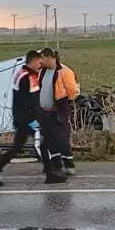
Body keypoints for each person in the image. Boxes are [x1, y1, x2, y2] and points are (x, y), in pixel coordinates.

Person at [0, 51, 42, 187]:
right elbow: (27, 102)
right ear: (33, 61)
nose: (40, 65)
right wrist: (33, 119)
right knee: (41, 142)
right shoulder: (26, 77)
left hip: (23, 119)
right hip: (26, 120)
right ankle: (51, 172)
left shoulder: (22, 73)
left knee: (18, 148)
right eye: (39, 62)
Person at [37, 47, 79, 183]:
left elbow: (72, 90)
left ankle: (69, 164)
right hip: (44, 111)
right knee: (49, 139)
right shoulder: (42, 72)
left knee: (62, 137)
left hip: (58, 110)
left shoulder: (64, 72)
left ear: (49, 58)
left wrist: (65, 105)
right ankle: (56, 164)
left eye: (41, 59)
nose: (40, 62)